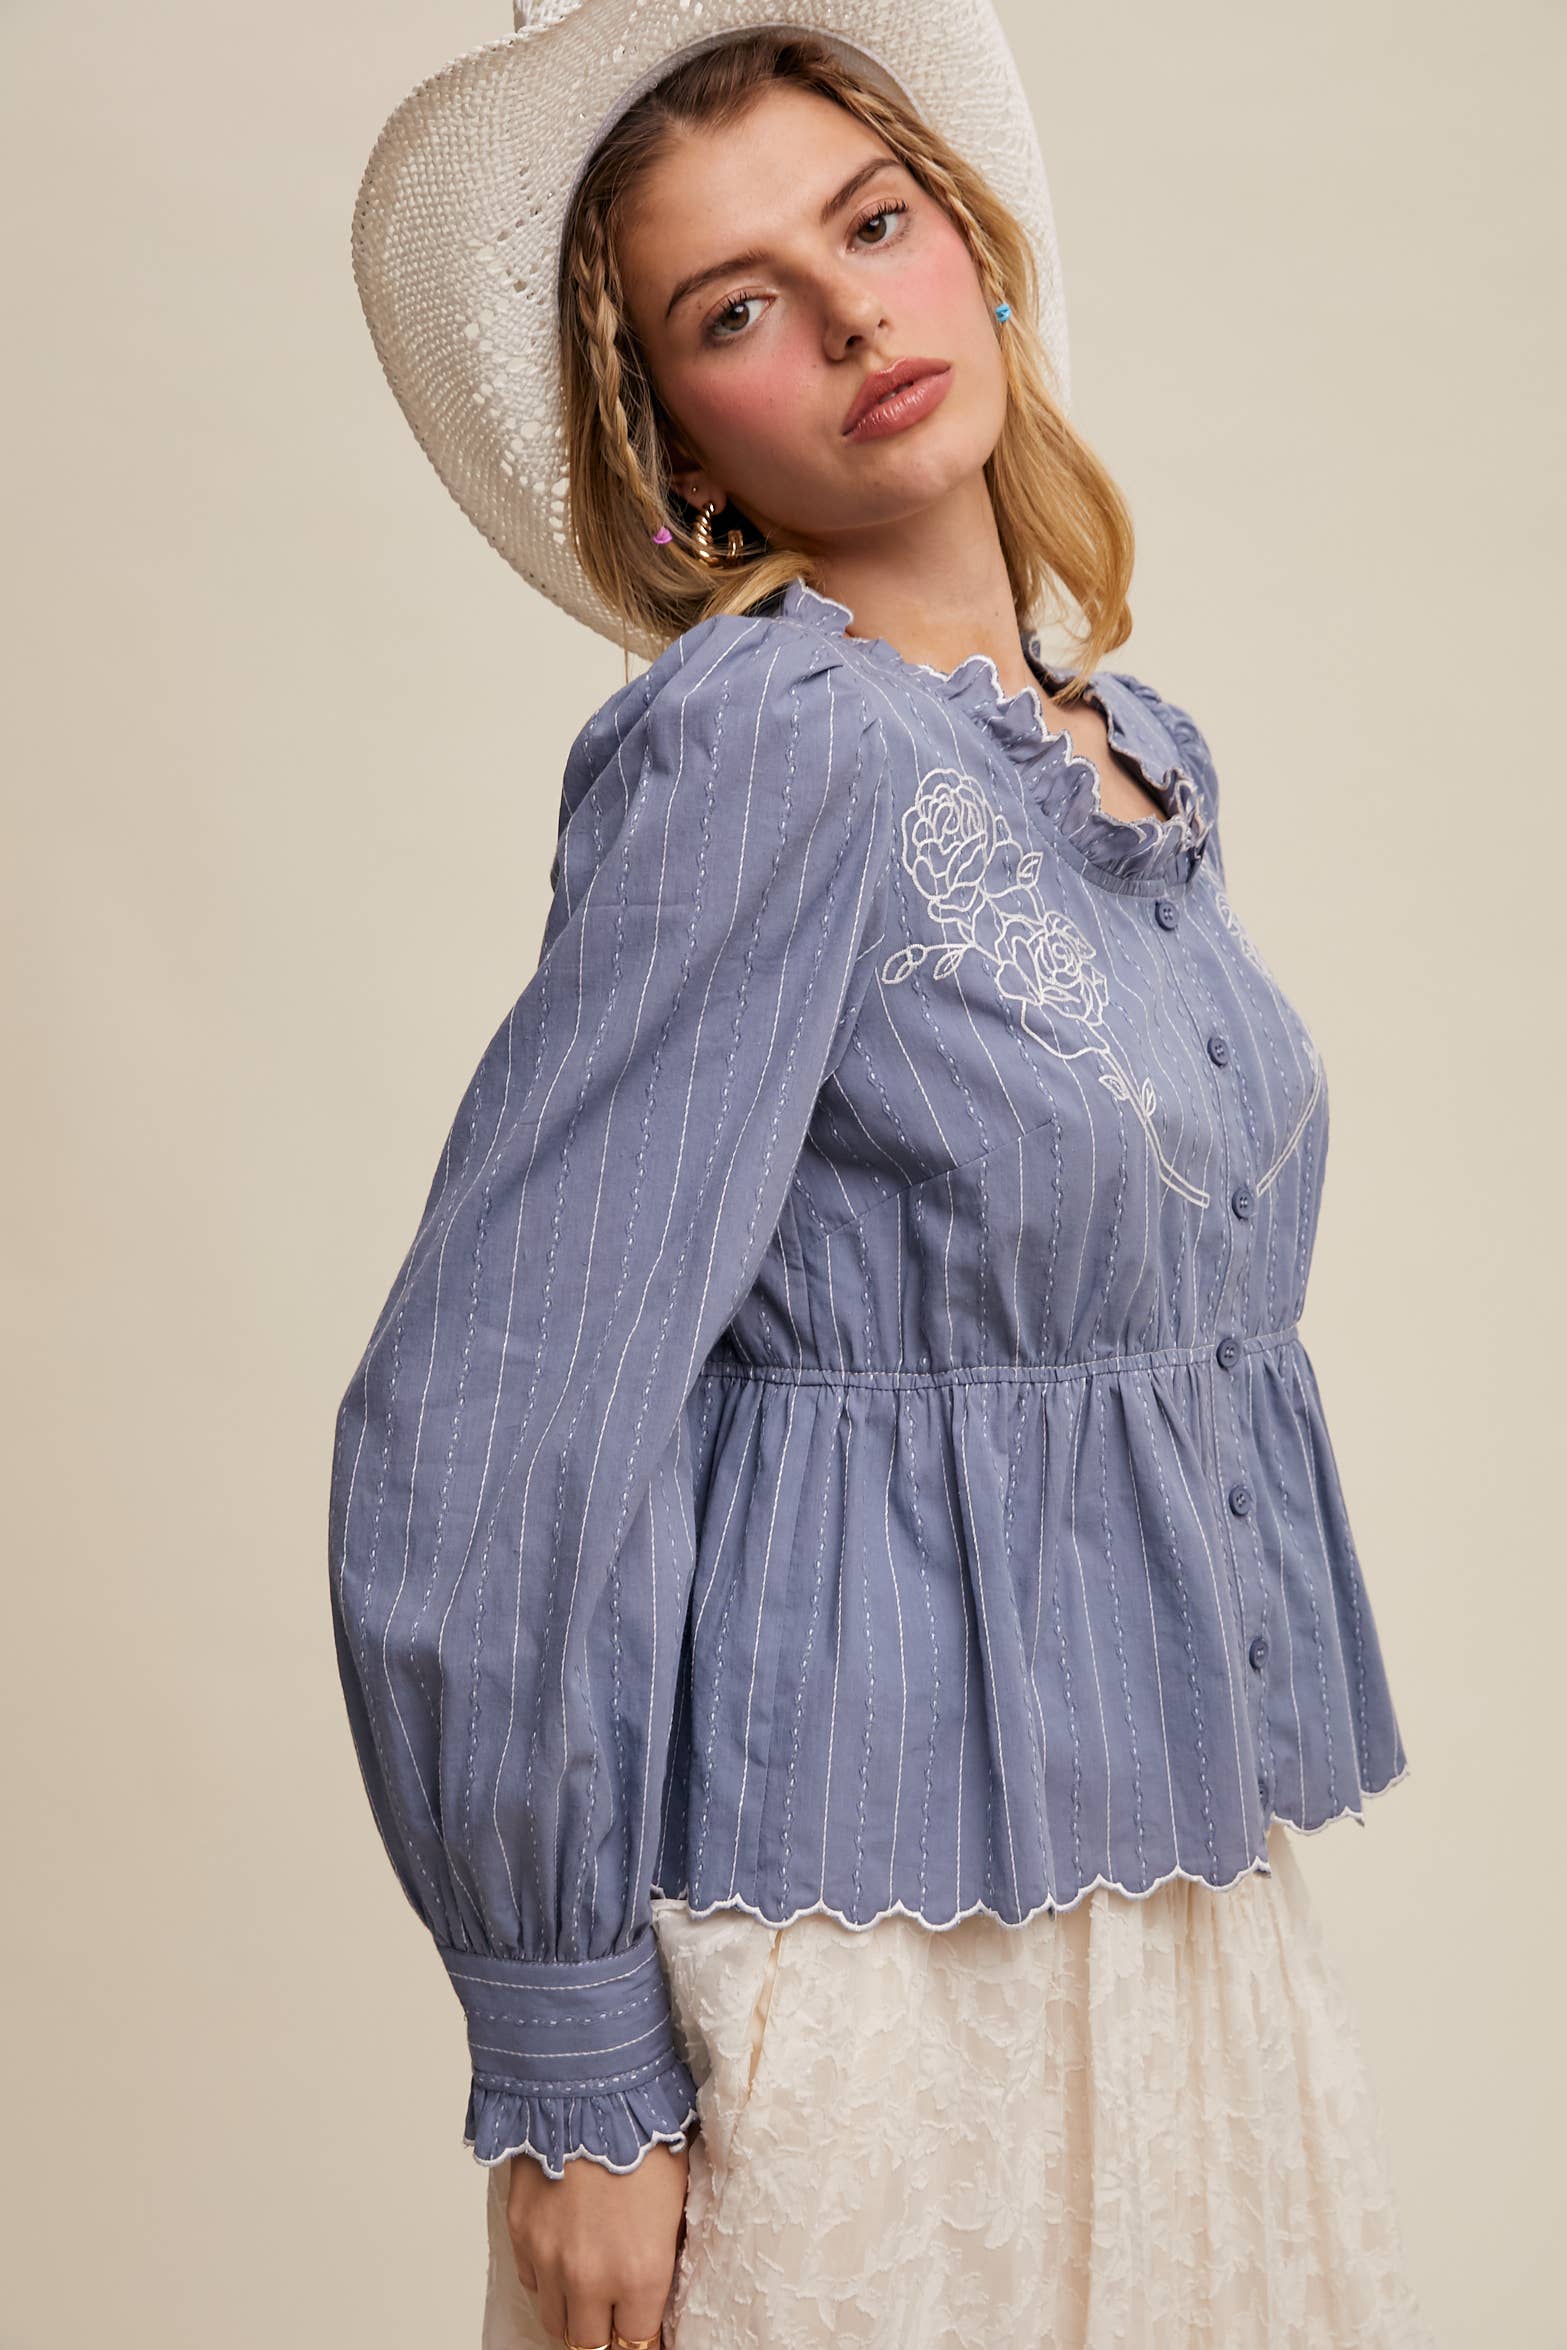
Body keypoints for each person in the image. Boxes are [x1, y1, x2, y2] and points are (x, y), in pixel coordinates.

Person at [331, 6, 1436, 2345]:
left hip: (1161, 1933)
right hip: (874, 1974)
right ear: (671, 439)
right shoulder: (761, 749)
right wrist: (569, 2061)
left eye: (874, 223)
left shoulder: (1124, 751)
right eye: (735, 307)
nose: (847, 315)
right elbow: (495, 1403)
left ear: (979, 251)